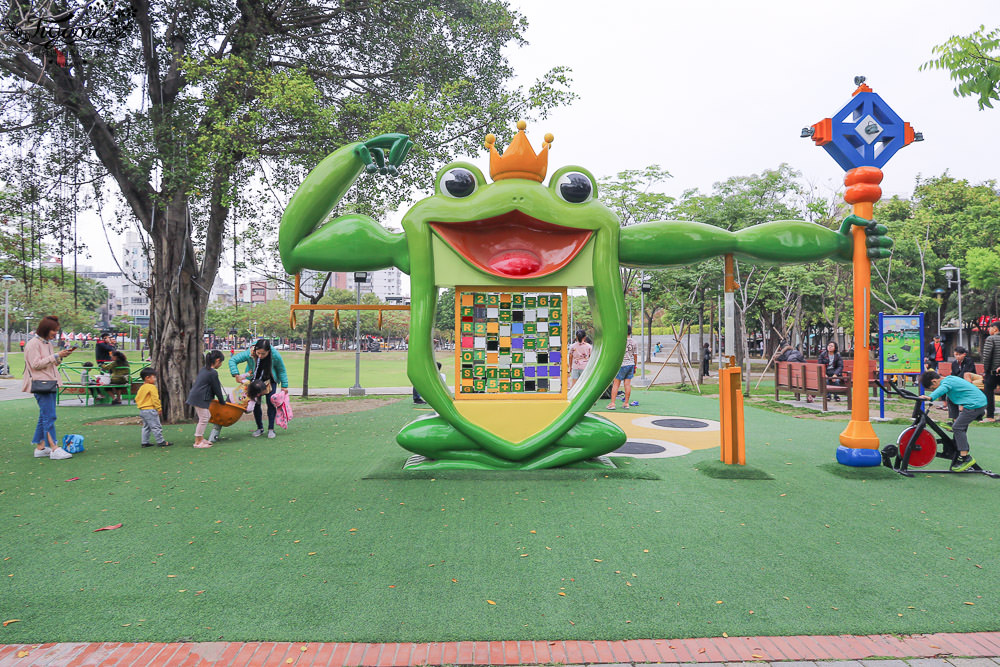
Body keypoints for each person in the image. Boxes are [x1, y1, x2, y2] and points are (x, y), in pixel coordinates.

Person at [22, 315, 76, 459]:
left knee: (44, 416)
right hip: (41, 384)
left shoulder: (47, 344)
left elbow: (50, 363)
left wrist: (61, 356)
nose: (55, 334)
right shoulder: (33, 344)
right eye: (54, 331)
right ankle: (54, 448)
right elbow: (36, 364)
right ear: (46, 329)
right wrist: (56, 356)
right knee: (49, 416)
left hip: (50, 382)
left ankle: (40, 447)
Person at [919, 369, 985, 471]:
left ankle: (965, 458)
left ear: (934, 381)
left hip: (975, 405)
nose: (933, 390)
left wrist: (930, 397)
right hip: (975, 402)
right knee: (950, 397)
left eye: (932, 388)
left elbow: (942, 389)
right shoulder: (949, 379)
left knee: (958, 428)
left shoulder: (947, 383)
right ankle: (954, 421)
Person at [229, 338, 289, 438]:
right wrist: (236, 374)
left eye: (263, 354)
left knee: (271, 403)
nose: (260, 356)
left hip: (270, 381)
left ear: (268, 351)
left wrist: (284, 386)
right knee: (256, 404)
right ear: (255, 350)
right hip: (254, 382)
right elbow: (233, 360)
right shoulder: (250, 352)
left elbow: (281, 370)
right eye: (258, 353)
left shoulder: (275, 355)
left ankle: (271, 429)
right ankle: (260, 428)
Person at [186, 350, 228, 448]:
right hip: (200, 397)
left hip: (197, 396)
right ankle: (197, 441)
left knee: (206, 416)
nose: (221, 364)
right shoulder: (212, 373)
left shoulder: (205, 369)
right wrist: (222, 401)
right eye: (221, 362)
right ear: (217, 361)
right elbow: (217, 388)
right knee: (204, 418)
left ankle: (200, 439)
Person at [206, 380, 267, 444]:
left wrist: (247, 374)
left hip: (228, 400)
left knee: (220, 418)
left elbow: (239, 379)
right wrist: (245, 409)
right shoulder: (252, 399)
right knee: (222, 420)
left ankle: (213, 437)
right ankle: (213, 437)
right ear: (257, 393)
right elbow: (249, 410)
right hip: (235, 409)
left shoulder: (246, 383)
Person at [135, 367, 173, 448]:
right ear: (147, 378)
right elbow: (155, 398)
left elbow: (137, 398)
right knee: (156, 426)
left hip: (142, 410)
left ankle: (144, 442)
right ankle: (160, 441)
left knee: (146, 426)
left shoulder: (142, 387)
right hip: (150, 409)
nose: (155, 379)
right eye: (154, 377)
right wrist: (159, 408)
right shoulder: (152, 387)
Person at [606, 325, 636, 410]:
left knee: (616, 384)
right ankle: (626, 403)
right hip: (631, 364)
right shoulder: (634, 342)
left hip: (621, 365)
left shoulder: (619, 341)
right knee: (627, 384)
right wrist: (635, 366)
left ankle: (612, 403)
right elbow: (635, 355)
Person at [981, 321, 1000, 423]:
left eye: (990, 328)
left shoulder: (991, 339)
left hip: (993, 371)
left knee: (988, 391)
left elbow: (987, 356)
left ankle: (990, 416)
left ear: (995, 329)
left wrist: (986, 370)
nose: (989, 330)